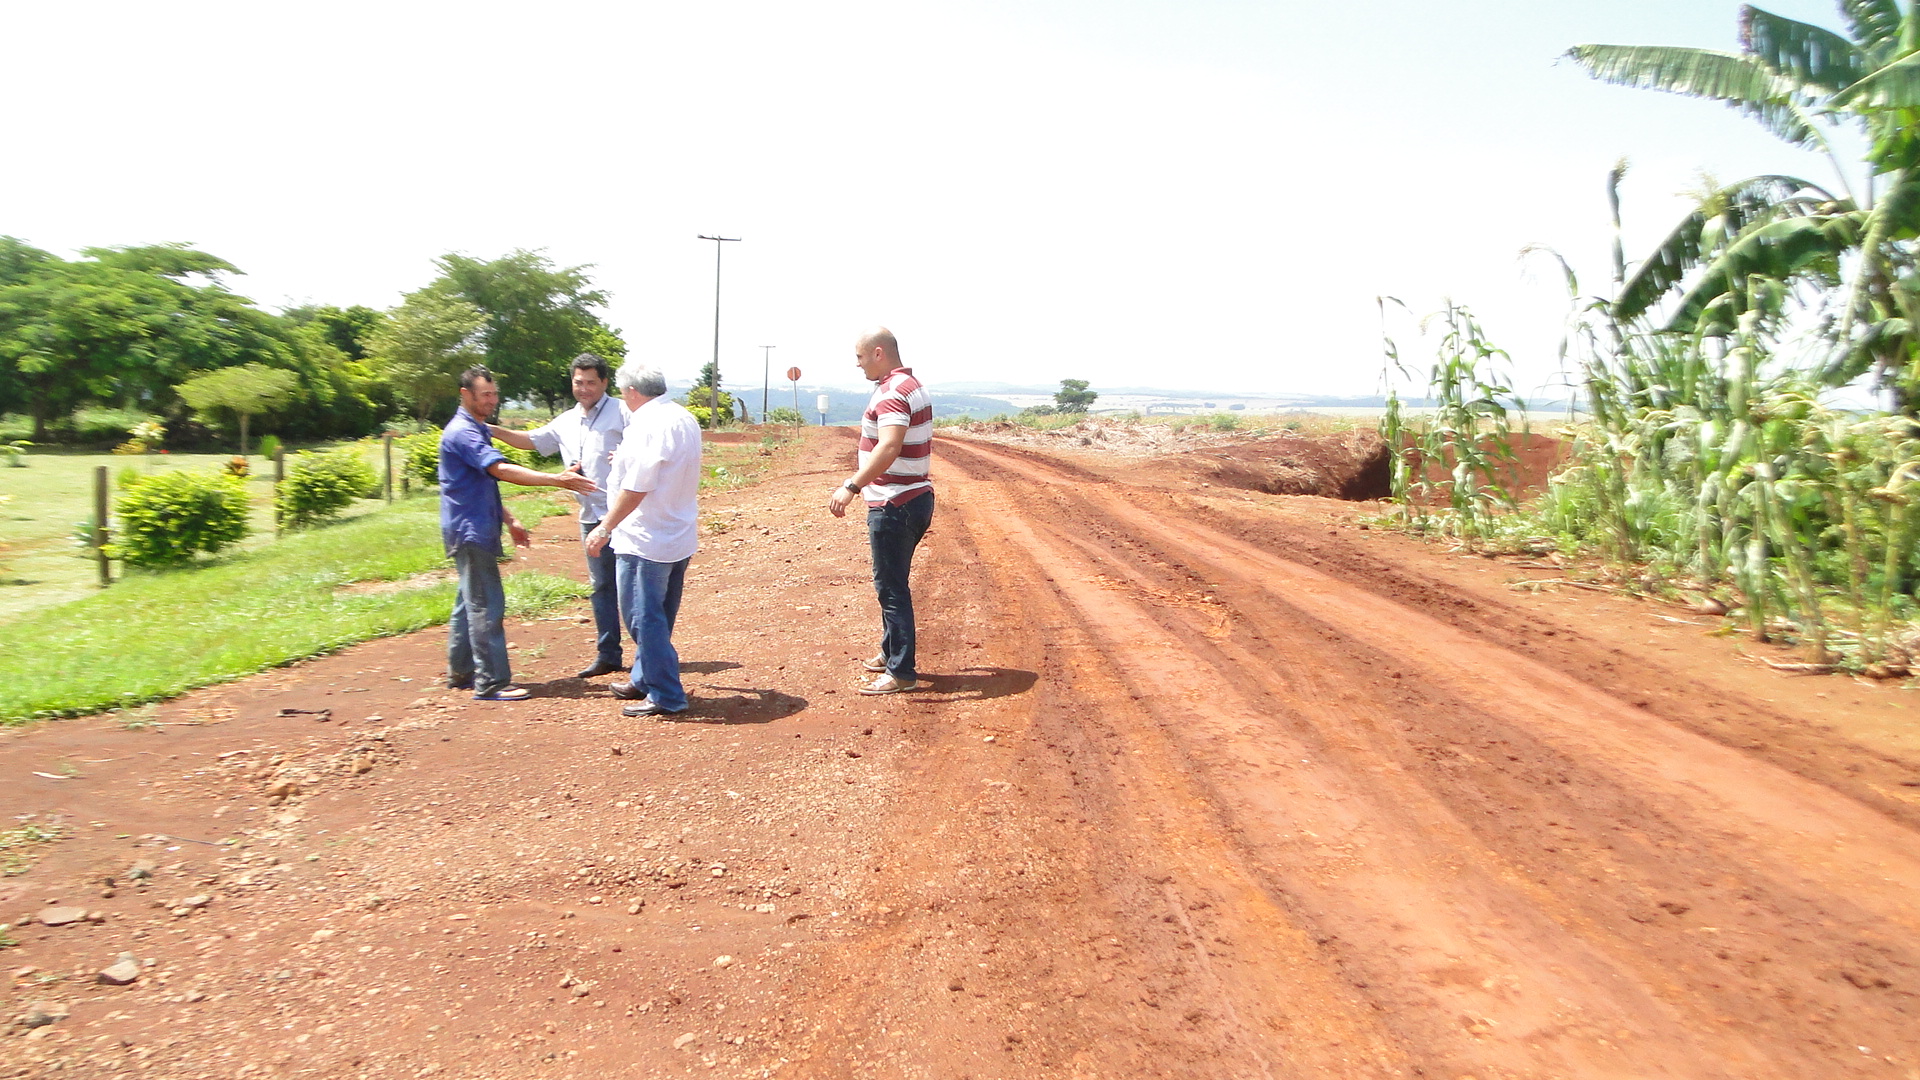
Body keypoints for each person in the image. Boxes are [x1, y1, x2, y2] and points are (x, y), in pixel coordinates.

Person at [440, 364, 598, 701]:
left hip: (474, 524)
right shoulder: (463, 432)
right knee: (486, 604)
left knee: (468, 600)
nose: (492, 401)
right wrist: (556, 479)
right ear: (465, 395)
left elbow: (483, 482)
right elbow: (499, 469)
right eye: (485, 395)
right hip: (470, 530)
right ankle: (491, 682)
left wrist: (509, 519)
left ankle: (462, 671)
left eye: (494, 394)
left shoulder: (476, 427)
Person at [487, 353, 631, 679]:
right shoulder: (567, 420)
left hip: (624, 514)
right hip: (589, 515)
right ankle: (609, 655)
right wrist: (491, 430)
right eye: (578, 382)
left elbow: (645, 446)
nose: (584, 389)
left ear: (604, 383)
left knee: (631, 585)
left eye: (591, 382)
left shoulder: (623, 413)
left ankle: (651, 655)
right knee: (601, 586)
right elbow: (532, 440)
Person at [584, 360, 703, 717]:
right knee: (659, 616)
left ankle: (666, 693)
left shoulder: (645, 425)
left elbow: (637, 486)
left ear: (632, 392)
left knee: (641, 618)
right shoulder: (682, 418)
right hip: (676, 534)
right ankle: (643, 676)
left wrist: (604, 527)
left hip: (645, 539)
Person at [827, 327, 933, 694]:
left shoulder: (891, 393)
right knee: (893, 582)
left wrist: (851, 486)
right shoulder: (912, 384)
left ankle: (902, 671)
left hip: (895, 502)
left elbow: (888, 446)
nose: (858, 366)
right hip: (915, 497)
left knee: (891, 588)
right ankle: (891, 652)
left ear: (877, 353)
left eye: (859, 358)